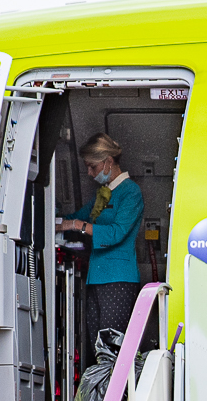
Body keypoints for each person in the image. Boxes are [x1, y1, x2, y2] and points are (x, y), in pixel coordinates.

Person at [58, 133, 145, 338]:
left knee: (110, 344)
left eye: (92, 167)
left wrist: (77, 225)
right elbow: (76, 217)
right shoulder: (103, 193)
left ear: (108, 162)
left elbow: (116, 233)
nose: (89, 173)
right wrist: (53, 221)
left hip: (118, 278)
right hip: (96, 277)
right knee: (95, 342)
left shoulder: (130, 192)